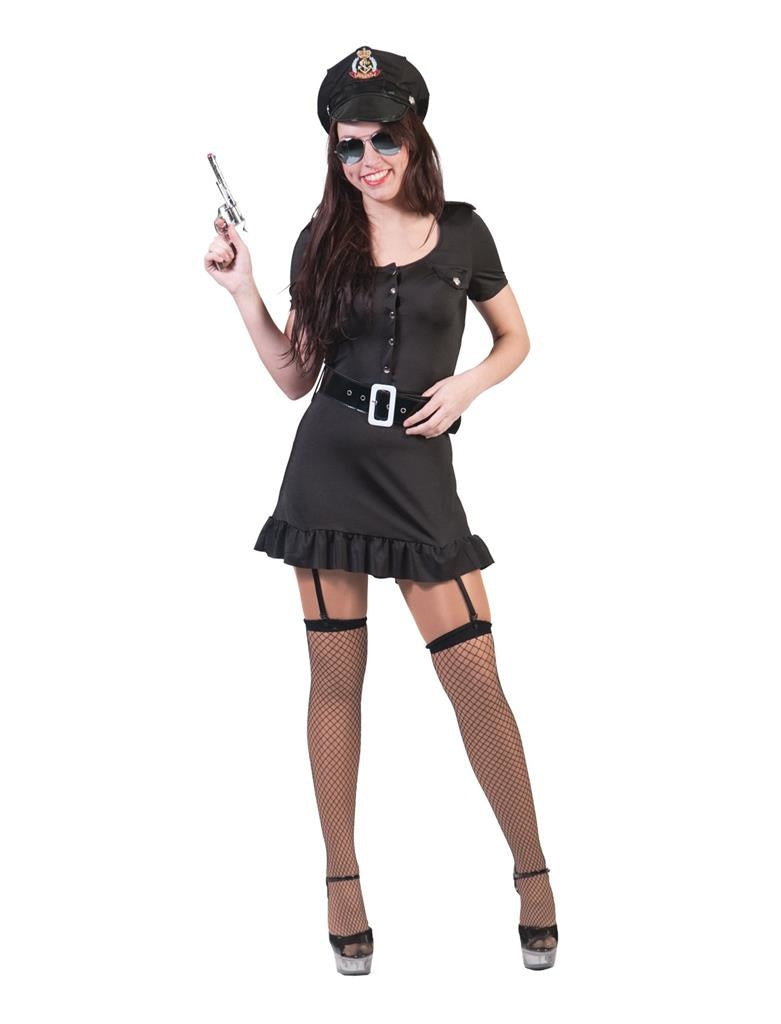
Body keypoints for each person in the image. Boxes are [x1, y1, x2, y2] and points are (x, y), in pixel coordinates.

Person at [204, 45, 558, 975]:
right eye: (349, 144)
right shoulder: (320, 241)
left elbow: (515, 339)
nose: (366, 159)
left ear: (413, 134)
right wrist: (242, 292)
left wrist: (467, 386)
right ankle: (342, 882)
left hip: (419, 477)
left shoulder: (465, 232)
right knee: (335, 681)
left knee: (475, 678)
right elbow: (294, 377)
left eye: (382, 139)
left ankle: (531, 873)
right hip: (327, 473)